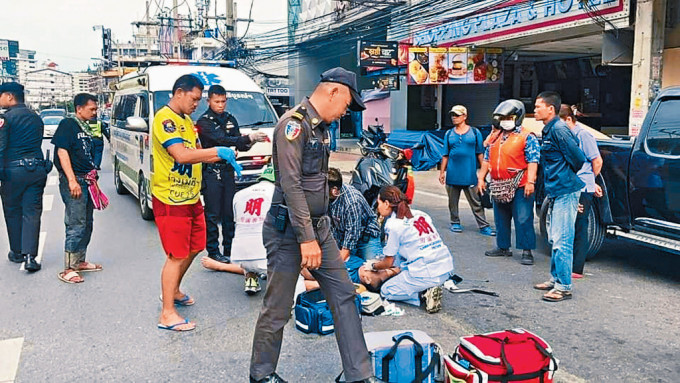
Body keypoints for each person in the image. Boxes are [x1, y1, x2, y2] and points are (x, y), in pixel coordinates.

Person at [249, 67, 378, 383]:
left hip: (319, 229)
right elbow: (291, 184)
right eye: (347, 103)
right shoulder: (293, 125)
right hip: (289, 232)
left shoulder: (322, 129)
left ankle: (359, 376)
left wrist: (317, 232)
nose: (346, 111)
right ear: (333, 91)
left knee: (344, 295)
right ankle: (261, 374)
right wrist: (306, 239)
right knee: (278, 307)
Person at [151, 75, 241, 332]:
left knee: (196, 246)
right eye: (194, 99)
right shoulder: (165, 119)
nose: (196, 104)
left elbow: (197, 154)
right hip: (171, 197)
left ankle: (174, 289)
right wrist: (217, 151)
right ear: (179, 93)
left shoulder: (187, 121)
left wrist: (222, 160)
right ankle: (167, 313)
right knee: (175, 254)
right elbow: (180, 154)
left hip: (191, 196)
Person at [196, 85, 268, 264]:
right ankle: (213, 251)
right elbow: (220, 140)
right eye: (216, 101)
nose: (220, 105)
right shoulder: (204, 121)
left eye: (223, 101)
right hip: (211, 171)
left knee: (229, 212)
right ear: (209, 101)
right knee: (212, 214)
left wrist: (250, 142)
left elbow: (238, 144)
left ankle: (230, 248)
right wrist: (245, 139)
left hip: (228, 170)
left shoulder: (230, 119)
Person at [361, 185, 454, 314]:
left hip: (426, 272)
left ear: (387, 203)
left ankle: (423, 294)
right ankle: (427, 287)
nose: (378, 207)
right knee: (402, 261)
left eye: (379, 203)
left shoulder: (393, 225)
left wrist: (373, 265)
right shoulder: (421, 214)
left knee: (387, 290)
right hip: (446, 267)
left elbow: (388, 262)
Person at [533, 92, 586, 302]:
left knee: (562, 240)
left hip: (565, 190)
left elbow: (578, 159)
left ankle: (564, 286)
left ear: (550, 109)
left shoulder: (559, 129)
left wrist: (564, 175)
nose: (535, 110)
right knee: (554, 238)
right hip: (555, 190)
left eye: (538, 107)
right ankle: (555, 279)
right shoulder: (549, 129)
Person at [477, 99, 540, 265]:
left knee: (523, 217)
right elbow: (487, 159)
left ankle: (527, 251)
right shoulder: (496, 137)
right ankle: (503, 247)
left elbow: (533, 160)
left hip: (520, 184)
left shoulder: (527, 136)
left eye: (508, 117)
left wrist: (531, 182)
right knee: (500, 216)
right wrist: (481, 178)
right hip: (499, 184)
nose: (504, 121)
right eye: (502, 118)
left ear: (517, 117)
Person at [52, 93, 103, 283]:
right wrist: (72, 180)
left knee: (87, 222)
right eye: (92, 109)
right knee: (76, 223)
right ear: (79, 108)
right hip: (75, 182)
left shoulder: (85, 127)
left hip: (88, 181)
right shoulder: (68, 125)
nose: (95, 112)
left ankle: (80, 260)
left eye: (96, 109)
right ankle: (68, 268)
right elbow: (62, 152)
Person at [201, 166, 275, 294]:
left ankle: (251, 278)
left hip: (240, 256)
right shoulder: (278, 193)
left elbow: (237, 223)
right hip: (268, 258)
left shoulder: (240, 194)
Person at [0, 82, 47, 272]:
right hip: (36, 170)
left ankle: (17, 252)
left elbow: (1, 147)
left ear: (10, 96)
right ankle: (30, 257)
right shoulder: (36, 118)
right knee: (32, 212)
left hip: (13, 172)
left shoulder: (6, 119)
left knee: (12, 211)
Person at [558, 105, 603, 279]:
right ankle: (567, 264)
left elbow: (596, 161)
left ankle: (577, 268)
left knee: (579, 226)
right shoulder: (566, 136)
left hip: (581, 188)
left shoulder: (583, 135)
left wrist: (590, 181)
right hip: (569, 187)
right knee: (567, 226)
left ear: (569, 119)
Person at [439, 105, 495, 236]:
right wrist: (442, 172)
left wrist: (484, 172)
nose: (454, 117)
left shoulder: (474, 133)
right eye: (452, 115)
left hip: (469, 174)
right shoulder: (449, 134)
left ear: (464, 116)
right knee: (452, 202)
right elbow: (445, 154)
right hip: (452, 174)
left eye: (457, 115)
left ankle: (483, 226)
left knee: (476, 202)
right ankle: (455, 222)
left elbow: (480, 153)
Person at [327, 167, 382, 283]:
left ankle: (396, 270)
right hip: (342, 236)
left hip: (365, 238)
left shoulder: (352, 202)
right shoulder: (326, 198)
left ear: (334, 190)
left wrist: (332, 267)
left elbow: (351, 236)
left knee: (374, 276)